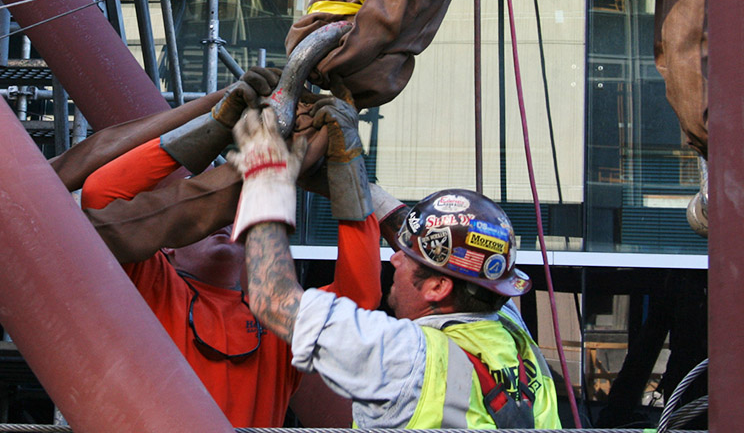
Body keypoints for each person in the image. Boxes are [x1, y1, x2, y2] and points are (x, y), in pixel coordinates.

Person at [79, 70, 382, 428]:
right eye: (206, 218)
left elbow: (357, 298)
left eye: (231, 216)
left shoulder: (278, 318)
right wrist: (215, 125)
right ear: (167, 249)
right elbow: (100, 201)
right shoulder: (150, 287)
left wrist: (346, 170)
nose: (221, 223)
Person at [230, 105, 562, 430]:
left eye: (408, 257)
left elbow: (273, 298)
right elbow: (427, 241)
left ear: (437, 288)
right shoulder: (509, 330)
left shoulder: (408, 360)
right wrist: (349, 180)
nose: (395, 258)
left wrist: (266, 177)